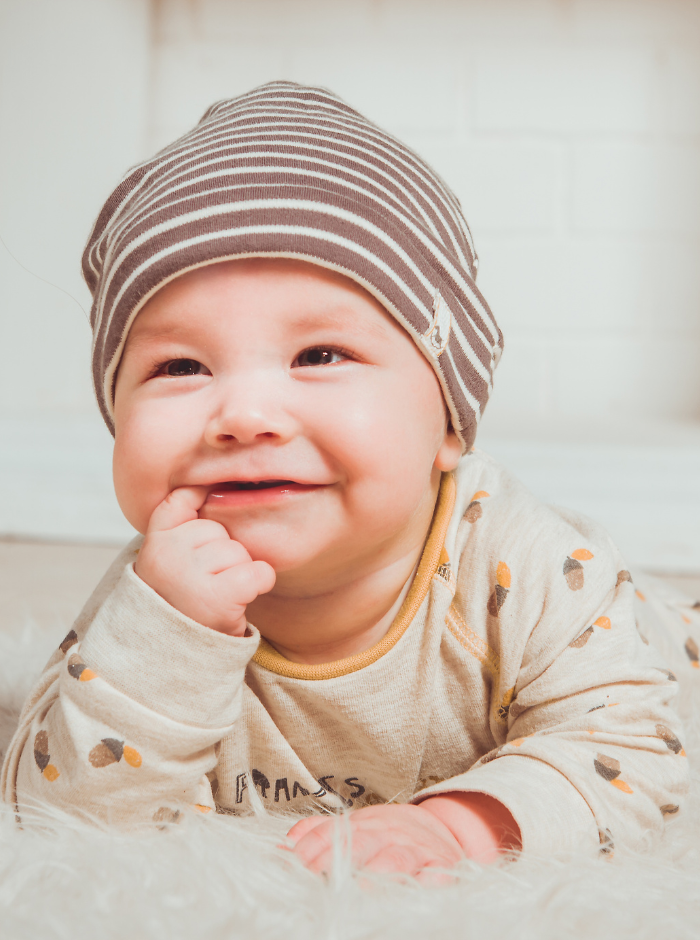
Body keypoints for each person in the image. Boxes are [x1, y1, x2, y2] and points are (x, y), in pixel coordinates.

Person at [2, 82, 694, 878]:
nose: (246, 413)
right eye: (180, 365)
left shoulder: (529, 566)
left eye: (319, 355)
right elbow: (59, 820)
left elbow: (630, 751)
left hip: (642, 637)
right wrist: (166, 642)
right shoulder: (152, 604)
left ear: (449, 425)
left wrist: (459, 828)